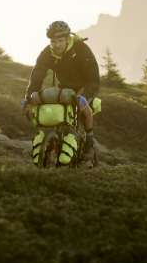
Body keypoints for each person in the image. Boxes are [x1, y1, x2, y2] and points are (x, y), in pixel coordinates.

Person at [23, 20, 100, 164]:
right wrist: (28, 98)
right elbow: (37, 76)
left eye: (60, 40)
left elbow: (94, 79)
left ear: (67, 38)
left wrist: (85, 97)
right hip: (65, 88)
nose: (56, 44)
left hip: (85, 86)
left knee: (84, 110)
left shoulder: (81, 49)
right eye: (53, 41)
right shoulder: (47, 52)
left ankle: (90, 141)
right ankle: (54, 139)